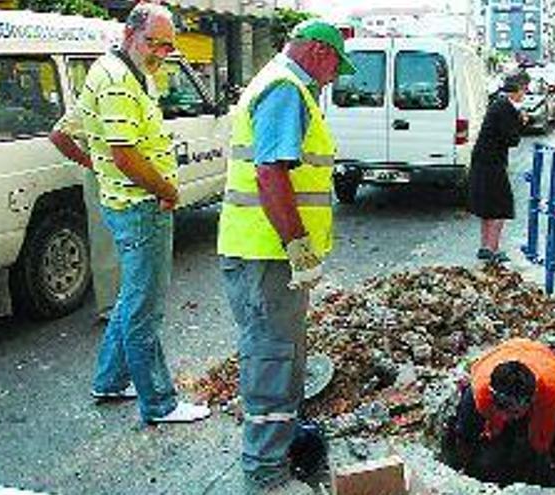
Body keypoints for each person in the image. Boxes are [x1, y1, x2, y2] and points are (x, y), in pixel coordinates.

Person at [216, 19, 355, 495]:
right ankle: (266, 474)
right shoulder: (286, 89)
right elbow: (270, 174)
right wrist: (297, 245)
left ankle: (282, 447)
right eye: (336, 63)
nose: (335, 75)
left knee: (282, 355)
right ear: (318, 51)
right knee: (272, 359)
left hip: (264, 254)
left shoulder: (282, 84)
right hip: (267, 255)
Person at [71, 3, 209, 424]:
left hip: (126, 203)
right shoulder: (116, 79)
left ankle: (110, 380)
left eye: (168, 46)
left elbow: (66, 132)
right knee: (144, 307)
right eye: (155, 43)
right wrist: (167, 190)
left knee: (133, 298)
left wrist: (99, 166)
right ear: (130, 33)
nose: (161, 53)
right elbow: (125, 153)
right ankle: (159, 403)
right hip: (140, 206)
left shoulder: (123, 71)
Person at [446, 338, 555, 486]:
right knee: (487, 460)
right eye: (502, 409)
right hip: (504, 353)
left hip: (542, 359)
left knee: (543, 466)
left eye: (515, 411)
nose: (508, 417)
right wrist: (462, 466)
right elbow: (465, 435)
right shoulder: (476, 395)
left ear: (532, 399)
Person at [49, 105, 120, 322]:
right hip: (104, 179)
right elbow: (58, 135)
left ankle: (127, 301)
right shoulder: (94, 99)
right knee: (106, 241)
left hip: (125, 178)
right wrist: (91, 163)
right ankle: (110, 305)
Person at [469, 71, 529, 263]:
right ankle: (493, 250)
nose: (525, 94)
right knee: (500, 206)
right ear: (518, 90)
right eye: (524, 89)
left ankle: (485, 247)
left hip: (483, 161)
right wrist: (521, 121)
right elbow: (512, 140)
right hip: (492, 163)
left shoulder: (498, 104)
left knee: (488, 206)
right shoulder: (506, 108)